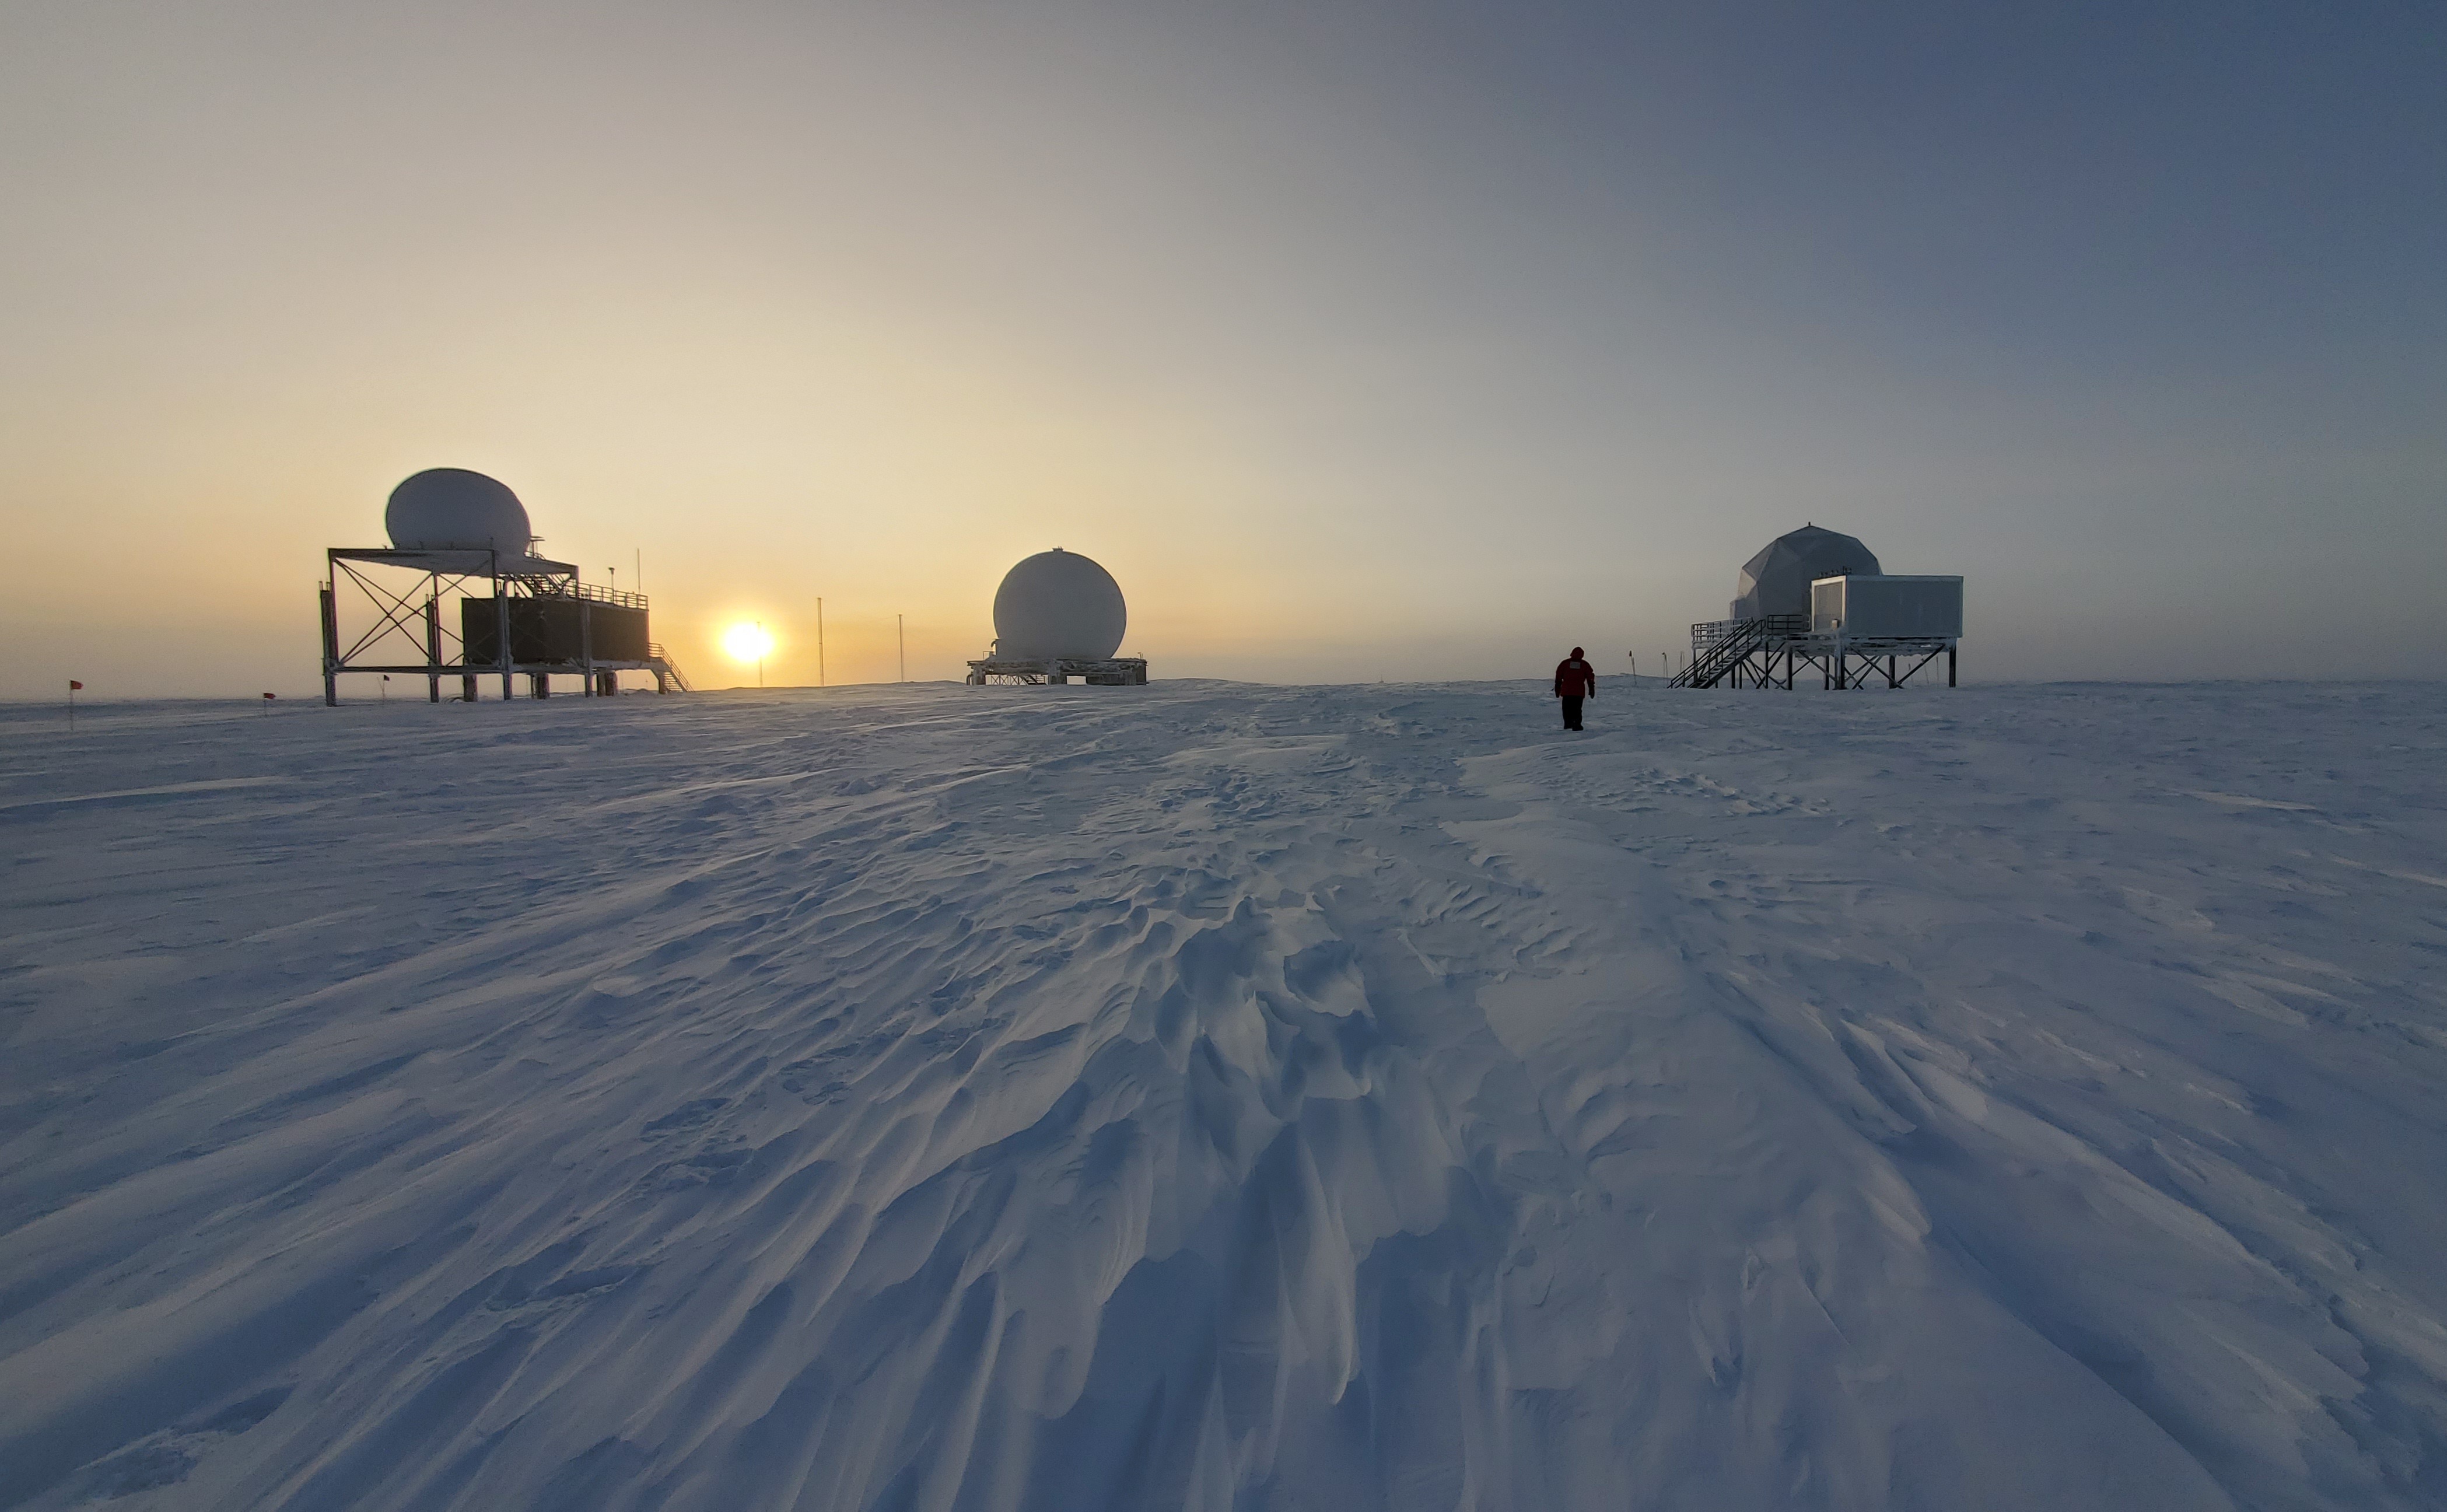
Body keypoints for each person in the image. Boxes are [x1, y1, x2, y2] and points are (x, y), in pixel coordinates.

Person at [1554, 646, 1596, 730]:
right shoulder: (1585, 665)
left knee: (1566, 709)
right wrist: (1591, 688)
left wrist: (1557, 688)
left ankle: (1568, 724)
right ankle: (1577, 724)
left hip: (1567, 691)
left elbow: (1559, 676)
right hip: (1579, 692)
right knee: (1577, 709)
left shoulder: (1565, 664)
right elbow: (1590, 677)